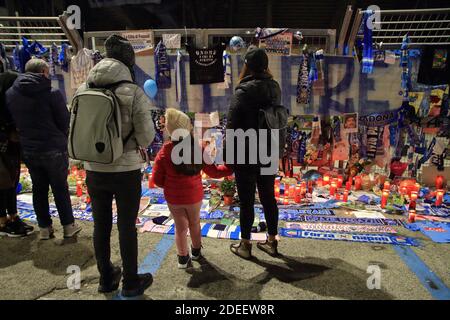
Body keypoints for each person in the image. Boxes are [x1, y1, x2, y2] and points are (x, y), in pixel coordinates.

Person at [78, 35, 155, 297]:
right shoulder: (133, 92)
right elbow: (146, 138)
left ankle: (105, 278)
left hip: (93, 168)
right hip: (125, 170)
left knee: (101, 225)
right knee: (125, 226)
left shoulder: (83, 88)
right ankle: (131, 282)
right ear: (128, 61)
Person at [5, 59, 80, 240]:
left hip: (29, 149)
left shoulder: (11, 94)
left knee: (39, 189)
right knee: (60, 188)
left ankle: (45, 228)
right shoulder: (51, 93)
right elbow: (64, 121)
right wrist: (60, 137)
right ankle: (68, 226)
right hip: (53, 148)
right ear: (44, 72)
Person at [152, 108, 232, 269]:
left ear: (169, 129)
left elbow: (157, 180)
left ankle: (182, 258)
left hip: (173, 198)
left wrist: (170, 186)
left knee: (180, 228)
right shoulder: (199, 148)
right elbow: (215, 172)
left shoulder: (164, 152)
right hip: (194, 196)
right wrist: (231, 167)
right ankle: (196, 252)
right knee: (195, 223)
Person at [226, 46, 280, 259]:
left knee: (247, 200)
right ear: (265, 66)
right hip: (269, 150)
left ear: (247, 66)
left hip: (246, 152)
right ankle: (272, 242)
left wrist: (229, 158)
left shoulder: (243, 91)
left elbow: (231, 126)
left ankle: (246, 245)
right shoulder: (275, 88)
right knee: (268, 197)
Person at [0, 70, 34, 237]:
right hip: (3, 150)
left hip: (12, 149)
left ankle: (13, 216)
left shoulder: (11, 101)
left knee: (12, 183)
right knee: (2, 185)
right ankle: (2, 221)